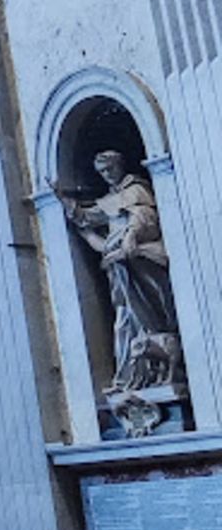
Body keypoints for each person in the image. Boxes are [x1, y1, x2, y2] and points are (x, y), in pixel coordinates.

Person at [62, 152, 182, 393]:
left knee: (148, 314)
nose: (107, 175)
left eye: (109, 169)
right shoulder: (110, 199)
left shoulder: (136, 189)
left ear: (119, 165)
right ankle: (129, 378)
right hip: (118, 267)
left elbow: (145, 216)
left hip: (140, 261)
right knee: (124, 321)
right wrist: (62, 199)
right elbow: (87, 217)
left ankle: (162, 373)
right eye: (102, 172)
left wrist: (131, 235)